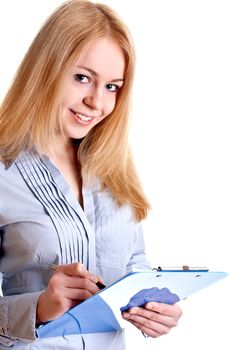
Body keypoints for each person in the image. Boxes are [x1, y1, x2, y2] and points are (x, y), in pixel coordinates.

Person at [0, 0, 182, 349]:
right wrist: (38, 308)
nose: (97, 103)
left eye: (112, 86)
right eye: (83, 78)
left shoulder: (113, 166)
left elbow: (133, 263)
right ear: (46, 69)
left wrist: (155, 307)